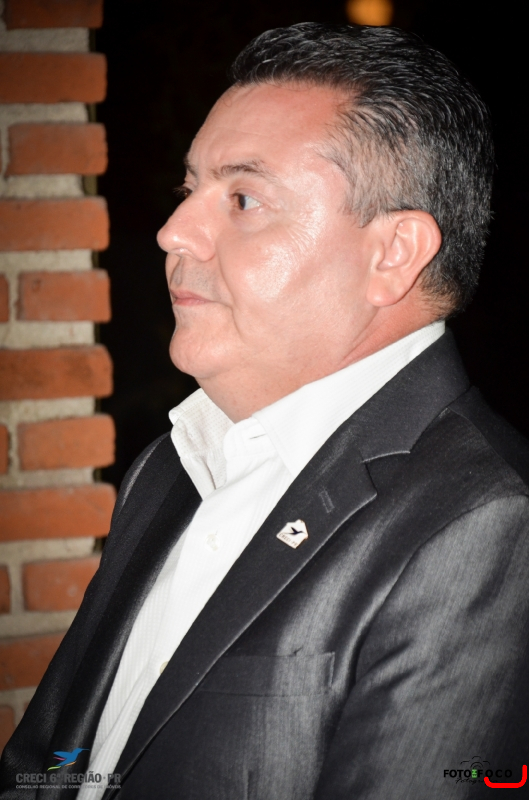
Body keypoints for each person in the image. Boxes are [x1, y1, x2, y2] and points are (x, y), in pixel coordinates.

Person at [1, 21, 528, 800]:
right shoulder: (175, 462)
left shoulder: (485, 523)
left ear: (392, 254)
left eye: (243, 198)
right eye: (188, 191)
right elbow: (53, 759)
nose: (173, 232)